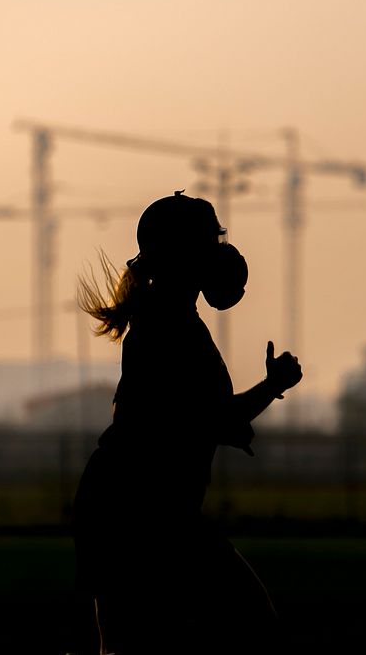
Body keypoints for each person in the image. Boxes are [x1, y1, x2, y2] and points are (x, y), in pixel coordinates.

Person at [73, 191, 302, 655]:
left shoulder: (169, 318)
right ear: (184, 251)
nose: (222, 249)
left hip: (134, 509)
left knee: (133, 647)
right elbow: (216, 419)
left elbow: (193, 419)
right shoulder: (167, 326)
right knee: (251, 629)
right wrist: (272, 385)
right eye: (212, 238)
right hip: (141, 514)